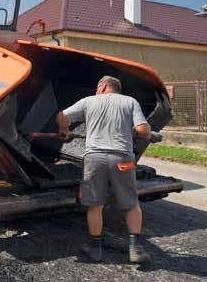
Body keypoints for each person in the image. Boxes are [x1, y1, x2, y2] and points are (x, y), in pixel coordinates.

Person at [56, 75, 152, 263]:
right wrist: (131, 131)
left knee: (95, 204)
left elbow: (61, 116)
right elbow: (143, 131)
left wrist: (64, 131)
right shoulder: (129, 101)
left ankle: (94, 248)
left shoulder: (88, 101)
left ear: (103, 87)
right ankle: (136, 249)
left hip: (94, 159)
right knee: (131, 203)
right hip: (123, 159)